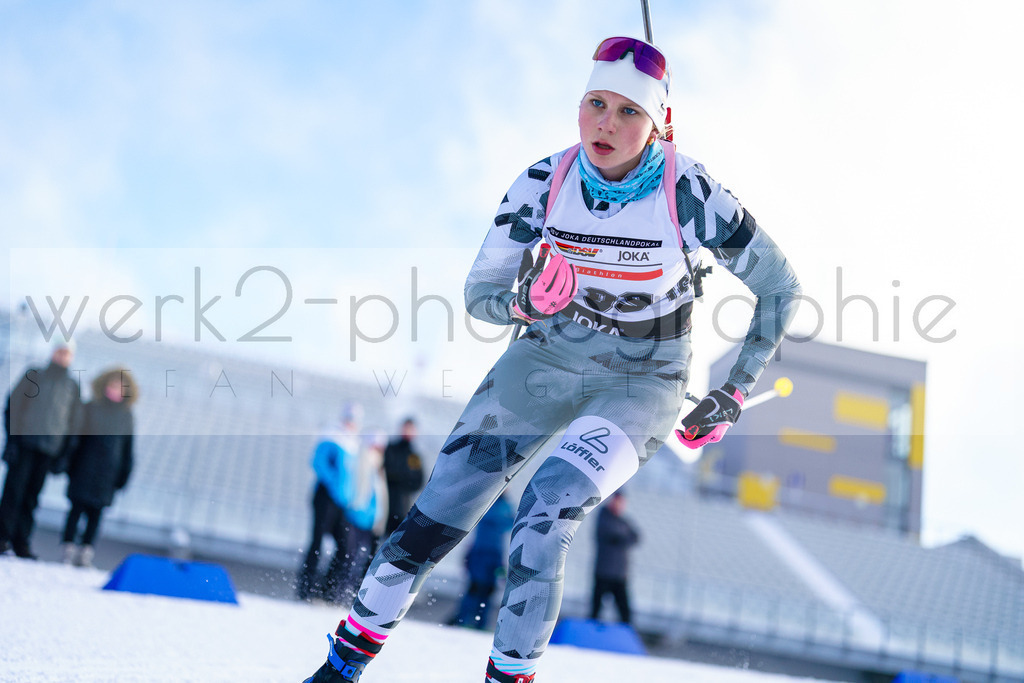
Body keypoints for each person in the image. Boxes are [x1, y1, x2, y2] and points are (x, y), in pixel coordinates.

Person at [303, 35, 800, 683]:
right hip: (547, 356)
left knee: (544, 515)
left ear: (657, 124)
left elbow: (780, 287)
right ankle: (339, 669)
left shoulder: (689, 193)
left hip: (643, 379)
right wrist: (523, 304)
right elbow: (480, 296)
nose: (606, 122)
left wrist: (733, 391)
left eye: (628, 112)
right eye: (595, 102)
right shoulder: (544, 181)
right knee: (437, 513)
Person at [1, 339, 82, 559]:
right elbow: (14, 406)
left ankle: (21, 541)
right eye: (60, 351)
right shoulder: (34, 375)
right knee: (13, 493)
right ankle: (2, 538)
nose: (62, 356)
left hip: (48, 450)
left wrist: (64, 454)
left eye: (67, 353)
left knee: (32, 497)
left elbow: (73, 423)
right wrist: (12, 441)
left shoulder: (72, 386)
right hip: (25, 444)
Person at [59, 367, 137, 568]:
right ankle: (68, 548)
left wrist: (124, 475)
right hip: (84, 467)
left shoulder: (126, 417)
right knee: (76, 509)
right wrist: (70, 463)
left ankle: (85, 552)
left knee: (96, 514)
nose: (116, 389)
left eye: (120, 386)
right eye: (113, 385)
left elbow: (127, 449)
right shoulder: (90, 407)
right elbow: (76, 438)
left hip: (107, 474)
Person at [297, 402, 363, 602]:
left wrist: (349, 496)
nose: (351, 423)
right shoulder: (332, 434)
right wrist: (334, 485)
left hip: (341, 503)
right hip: (326, 497)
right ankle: (306, 589)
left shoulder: (353, 442)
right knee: (317, 541)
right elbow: (318, 462)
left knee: (345, 546)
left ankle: (327, 591)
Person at [328, 430, 389, 606]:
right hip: (355, 518)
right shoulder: (361, 461)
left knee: (359, 561)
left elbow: (379, 497)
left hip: (369, 521)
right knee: (348, 557)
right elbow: (356, 490)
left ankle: (346, 596)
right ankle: (337, 594)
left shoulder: (378, 467)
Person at [449, 492, 515, 630]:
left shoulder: (503, 504)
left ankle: (479, 622)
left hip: (494, 554)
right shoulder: (492, 503)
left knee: (488, 589)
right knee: (475, 587)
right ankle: (464, 619)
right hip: (481, 552)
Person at [590, 491, 639, 625]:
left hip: (619, 574)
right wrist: (624, 536)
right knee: (595, 610)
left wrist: (623, 536)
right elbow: (615, 536)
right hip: (604, 572)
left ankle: (624, 638)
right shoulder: (604, 517)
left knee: (625, 613)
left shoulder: (622, 521)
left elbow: (636, 537)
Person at [382, 418, 423, 535]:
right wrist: (403, 477)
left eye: (411, 429)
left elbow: (417, 482)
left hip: (403, 508)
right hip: (385, 504)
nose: (408, 432)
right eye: (406, 428)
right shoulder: (390, 449)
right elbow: (386, 472)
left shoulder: (414, 456)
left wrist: (399, 478)